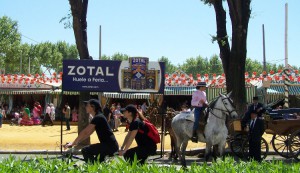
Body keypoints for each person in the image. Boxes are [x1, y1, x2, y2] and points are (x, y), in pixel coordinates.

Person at [64, 99, 119, 163]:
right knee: (98, 162)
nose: (86, 107)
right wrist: (76, 143)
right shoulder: (98, 117)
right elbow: (88, 133)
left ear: (93, 107)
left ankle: (92, 169)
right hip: (109, 146)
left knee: (85, 150)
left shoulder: (98, 117)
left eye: (87, 105)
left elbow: (85, 131)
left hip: (109, 146)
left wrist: (73, 143)